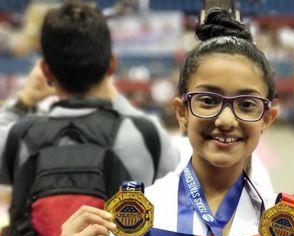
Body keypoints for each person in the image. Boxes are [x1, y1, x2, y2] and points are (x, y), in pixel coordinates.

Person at [34, 8, 294, 236]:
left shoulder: (290, 227)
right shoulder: (134, 221)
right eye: (207, 100)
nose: (226, 119)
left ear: (267, 118)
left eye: (246, 104)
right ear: (181, 112)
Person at [0, 4, 179, 186]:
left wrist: (23, 101)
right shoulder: (146, 136)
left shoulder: (20, 140)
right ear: (111, 65)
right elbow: (180, 179)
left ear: (46, 71)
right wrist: (114, 95)